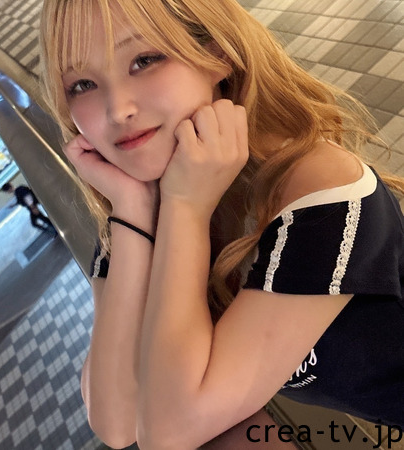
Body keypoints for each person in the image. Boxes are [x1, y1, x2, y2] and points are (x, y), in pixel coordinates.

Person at [39, 0, 404, 448]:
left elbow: (168, 433)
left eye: (144, 60)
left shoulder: (320, 194)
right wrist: (134, 209)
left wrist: (186, 208)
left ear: (216, 54)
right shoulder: (140, 201)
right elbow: (117, 421)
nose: (118, 110)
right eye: (82, 84)